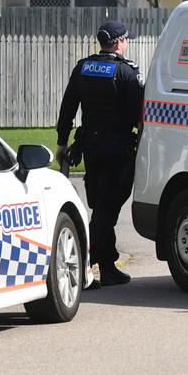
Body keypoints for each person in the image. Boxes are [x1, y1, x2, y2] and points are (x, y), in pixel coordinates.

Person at [56, 21, 144, 288]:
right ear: (118, 42)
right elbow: (139, 117)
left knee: (101, 206)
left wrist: (62, 142)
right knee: (106, 209)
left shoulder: (83, 67)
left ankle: (107, 265)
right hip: (117, 149)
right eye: (126, 40)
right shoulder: (128, 73)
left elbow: (68, 106)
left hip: (90, 146)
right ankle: (86, 266)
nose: (127, 43)